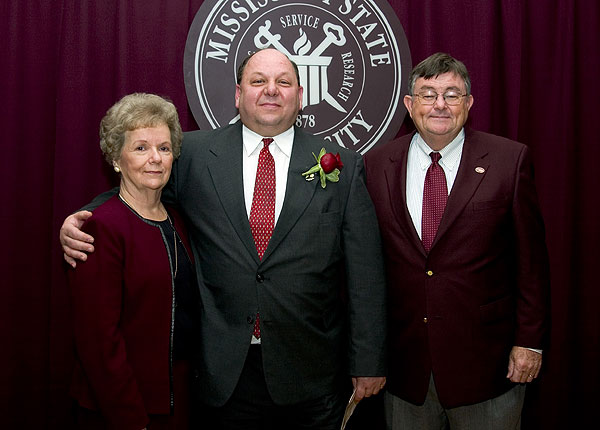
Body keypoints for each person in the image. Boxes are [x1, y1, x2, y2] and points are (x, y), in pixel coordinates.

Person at [61, 48, 386, 429]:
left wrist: (368, 361)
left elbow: (365, 274)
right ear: (237, 94)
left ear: (301, 95)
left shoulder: (342, 165)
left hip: (312, 376)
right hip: (220, 374)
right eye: (258, 81)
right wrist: (87, 218)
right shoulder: (194, 155)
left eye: (283, 82)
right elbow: (141, 189)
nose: (271, 91)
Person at [364, 52, 550, 429]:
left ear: (468, 103)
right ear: (408, 104)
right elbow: (366, 268)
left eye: (452, 94)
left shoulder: (508, 160)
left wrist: (529, 341)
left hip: (489, 365)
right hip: (405, 368)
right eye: (428, 94)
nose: (440, 105)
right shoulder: (375, 165)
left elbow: (531, 263)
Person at [67, 93, 198, 430]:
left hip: (177, 402)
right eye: (141, 148)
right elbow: (98, 342)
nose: (155, 158)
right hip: (123, 408)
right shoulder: (99, 227)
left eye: (164, 148)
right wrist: (130, 418)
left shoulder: (178, 219)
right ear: (115, 158)